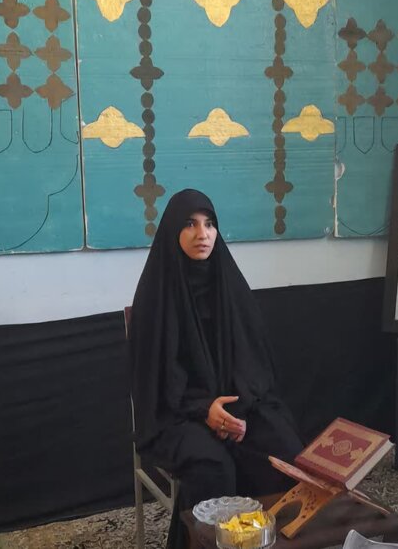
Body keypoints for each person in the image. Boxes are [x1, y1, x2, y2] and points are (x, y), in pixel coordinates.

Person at [128, 189, 303, 548]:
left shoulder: (229, 285)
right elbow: (158, 377)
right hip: (176, 413)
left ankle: (265, 541)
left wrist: (237, 409)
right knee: (213, 466)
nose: (202, 234)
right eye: (190, 224)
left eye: (209, 224)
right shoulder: (155, 295)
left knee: (283, 449)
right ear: (173, 231)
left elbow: (254, 361)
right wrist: (203, 409)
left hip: (237, 404)